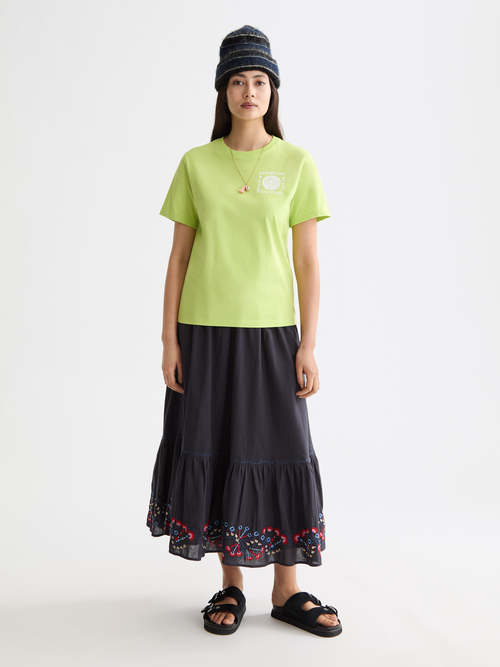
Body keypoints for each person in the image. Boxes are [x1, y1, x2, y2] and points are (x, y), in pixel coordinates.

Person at [146, 25, 342, 638]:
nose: (249, 91)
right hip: (203, 333)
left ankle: (286, 589)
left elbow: (307, 261)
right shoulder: (196, 163)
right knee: (220, 448)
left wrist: (308, 344)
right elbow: (179, 257)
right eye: (237, 80)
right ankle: (231, 585)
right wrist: (169, 341)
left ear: (273, 90)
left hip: (272, 335)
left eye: (260, 81)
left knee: (281, 450)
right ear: (223, 91)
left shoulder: (296, 162)